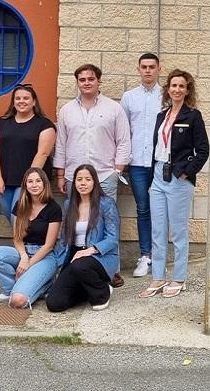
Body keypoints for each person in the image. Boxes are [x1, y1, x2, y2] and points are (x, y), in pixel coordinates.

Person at [54, 64, 131, 287]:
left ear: (99, 81)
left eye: (90, 79)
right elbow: (61, 144)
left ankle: (111, 271)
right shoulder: (67, 110)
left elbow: (123, 141)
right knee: (75, 223)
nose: (86, 82)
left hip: (105, 175)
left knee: (108, 224)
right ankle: (71, 266)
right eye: (82, 79)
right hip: (73, 177)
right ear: (77, 82)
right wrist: (60, 175)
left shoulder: (113, 109)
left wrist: (117, 171)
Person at [139, 69, 209, 299]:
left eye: (181, 86)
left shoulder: (193, 116)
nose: (177, 89)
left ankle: (179, 278)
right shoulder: (162, 115)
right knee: (158, 230)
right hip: (159, 175)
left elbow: (203, 151)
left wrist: (186, 173)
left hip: (179, 178)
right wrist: (152, 180)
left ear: (187, 90)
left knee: (178, 231)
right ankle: (158, 277)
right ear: (167, 89)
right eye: (173, 85)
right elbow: (156, 149)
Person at [0, 168, 62, 309]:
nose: (34, 185)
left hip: (44, 257)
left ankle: (43, 285)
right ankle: (10, 288)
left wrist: (29, 264)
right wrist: (24, 257)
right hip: (24, 251)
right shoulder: (20, 205)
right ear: (25, 185)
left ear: (45, 183)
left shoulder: (53, 208)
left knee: (17, 302)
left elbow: (49, 246)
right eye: (30, 181)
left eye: (38, 181)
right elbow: (17, 237)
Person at [47, 165, 120, 312]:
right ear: (74, 183)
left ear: (94, 182)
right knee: (55, 303)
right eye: (79, 179)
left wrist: (90, 250)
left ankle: (102, 292)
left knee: (80, 265)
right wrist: (59, 261)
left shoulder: (106, 203)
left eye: (88, 179)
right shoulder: (69, 204)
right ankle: (87, 289)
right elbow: (64, 238)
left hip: (100, 256)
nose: (83, 183)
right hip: (75, 256)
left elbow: (112, 238)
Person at [119, 53, 162, 278]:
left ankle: (160, 255)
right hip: (136, 163)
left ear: (158, 69)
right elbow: (123, 130)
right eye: (144, 67)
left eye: (151, 67)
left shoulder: (166, 96)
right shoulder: (129, 97)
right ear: (138, 69)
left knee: (161, 209)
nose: (147, 71)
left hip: (160, 162)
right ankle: (145, 255)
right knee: (143, 209)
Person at [0, 84, 56, 224]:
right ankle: (26, 243)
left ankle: (26, 245)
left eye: (26, 98)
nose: (21, 101)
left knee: (18, 218)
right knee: (11, 217)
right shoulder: (2, 123)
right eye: (17, 98)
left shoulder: (44, 125)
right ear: (13, 102)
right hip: (5, 180)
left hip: (30, 181)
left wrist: (29, 181)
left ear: (34, 102)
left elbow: (42, 154)